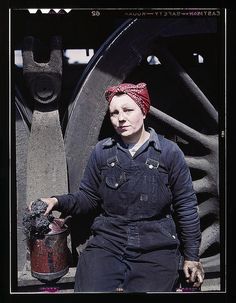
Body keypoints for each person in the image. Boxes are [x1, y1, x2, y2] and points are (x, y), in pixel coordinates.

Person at [30, 82, 204, 292]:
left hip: (156, 243)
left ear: (143, 111)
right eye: (114, 113)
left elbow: (186, 207)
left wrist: (192, 256)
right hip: (109, 241)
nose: (121, 118)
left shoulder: (168, 152)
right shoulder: (102, 152)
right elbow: (88, 198)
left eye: (128, 110)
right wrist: (55, 200)